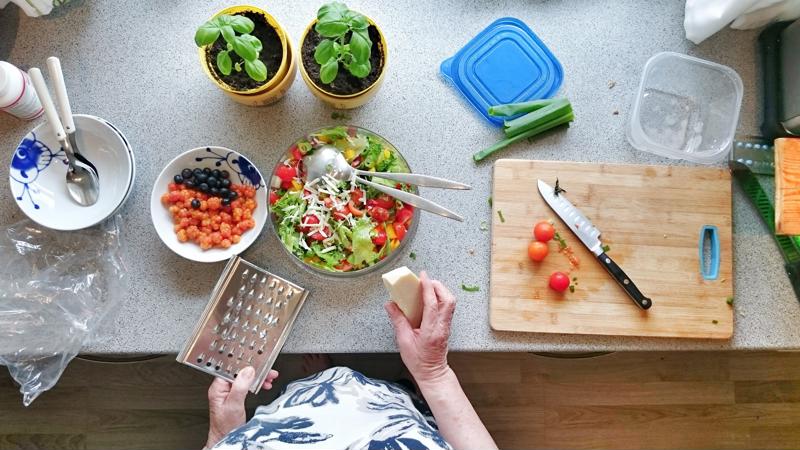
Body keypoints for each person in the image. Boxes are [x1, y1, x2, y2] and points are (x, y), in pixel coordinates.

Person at [204, 272, 498, 450]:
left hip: (294, 418)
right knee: (414, 406)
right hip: (401, 421)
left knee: (310, 391)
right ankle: (414, 393)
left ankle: (322, 382)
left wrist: (223, 436)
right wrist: (432, 373)